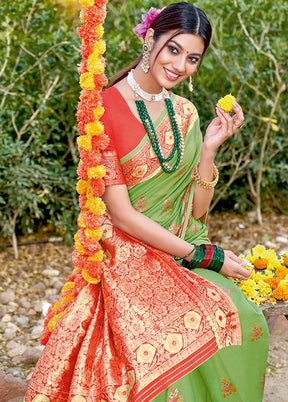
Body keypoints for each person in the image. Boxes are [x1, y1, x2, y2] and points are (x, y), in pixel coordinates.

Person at [25, 2, 269, 401]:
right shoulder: (102, 110)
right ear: (150, 38)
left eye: (193, 58)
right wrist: (205, 257)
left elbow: (196, 212)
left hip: (176, 246)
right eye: (173, 49)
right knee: (164, 333)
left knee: (243, 315)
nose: (180, 65)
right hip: (127, 253)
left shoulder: (186, 113)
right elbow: (121, 215)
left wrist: (208, 151)